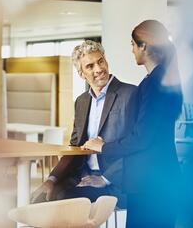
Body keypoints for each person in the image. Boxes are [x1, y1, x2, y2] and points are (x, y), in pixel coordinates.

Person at [83, 20, 183, 228]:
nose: (131, 50)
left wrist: (103, 147)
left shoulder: (154, 84)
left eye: (132, 44)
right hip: (157, 179)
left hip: (151, 184)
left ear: (143, 46)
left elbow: (142, 138)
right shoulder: (163, 79)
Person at [31, 40, 137, 209]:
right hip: (82, 176)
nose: (98, 69)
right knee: (40, 198)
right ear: (81, 74)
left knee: (66, 199)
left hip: (115, 181)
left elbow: (135, 144)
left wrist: (104, 179)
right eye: (90, 66)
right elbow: (74, 147)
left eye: (100, 61)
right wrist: (51, 179)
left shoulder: (130, 94)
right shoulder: (81, 102)